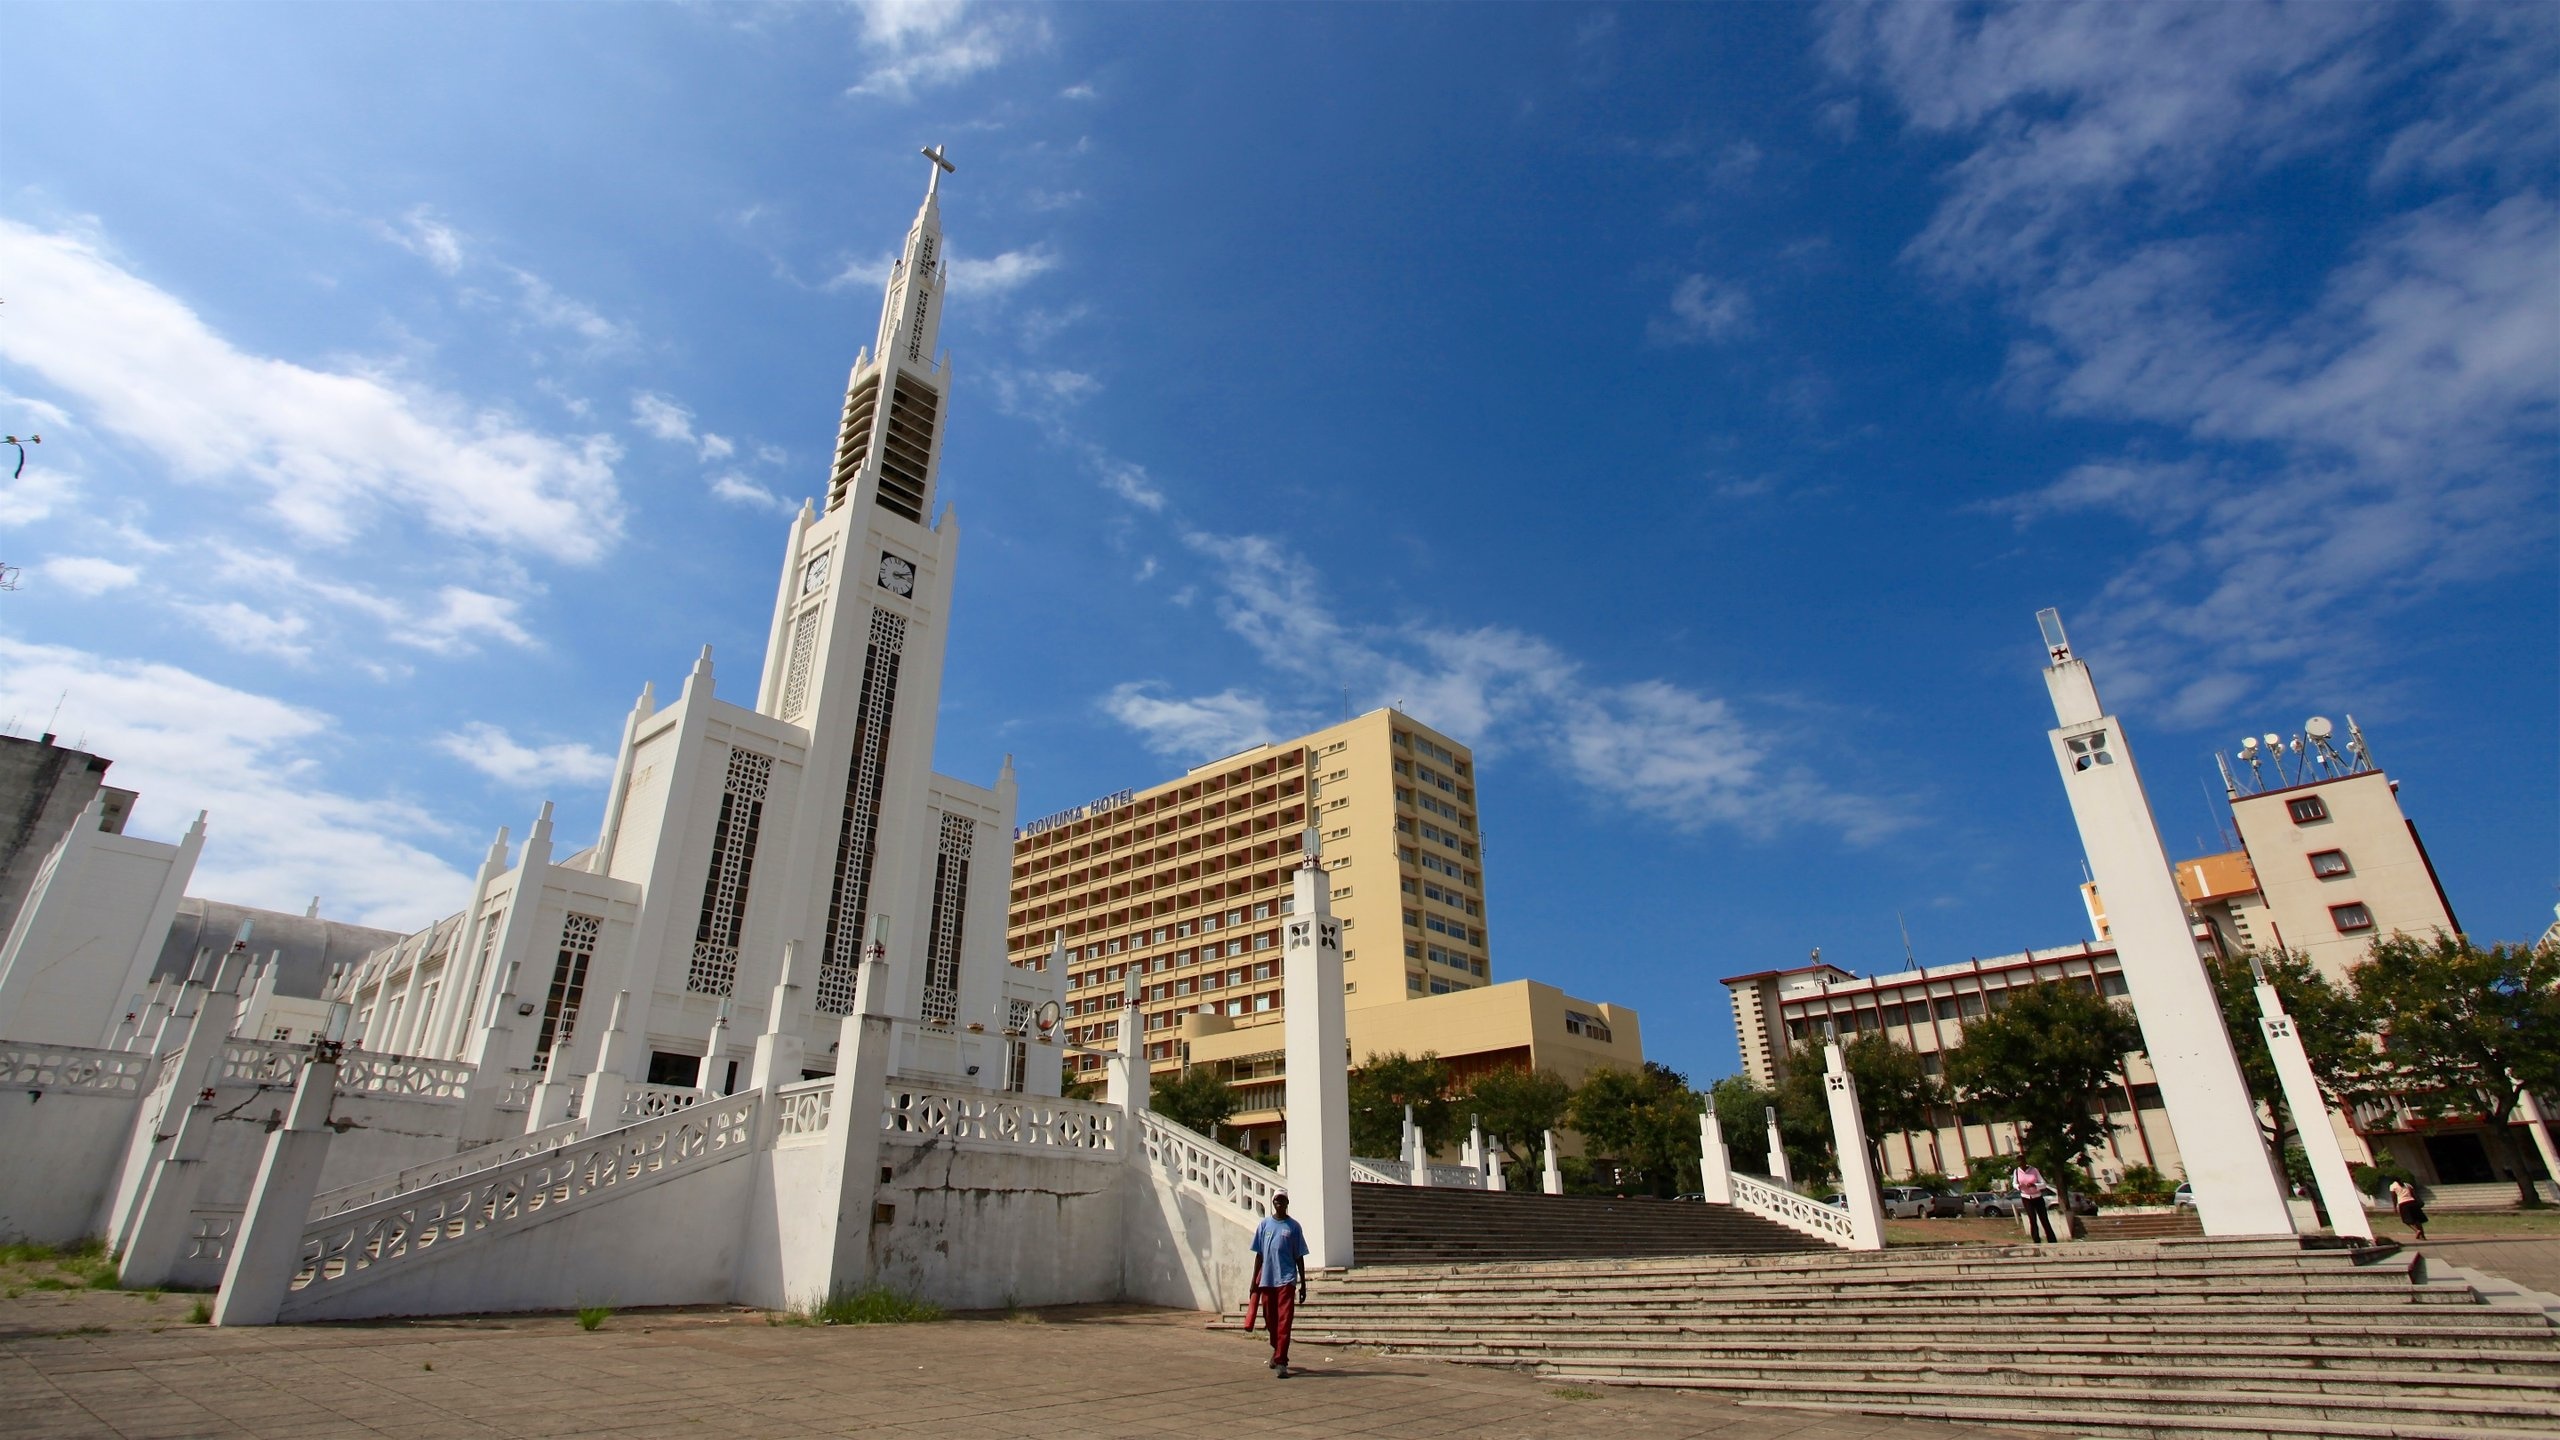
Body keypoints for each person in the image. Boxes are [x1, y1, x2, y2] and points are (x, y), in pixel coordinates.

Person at [1247, 1191, 1311, 1378]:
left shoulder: (1293, 1227)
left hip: (1286, 1279)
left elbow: (1299, 1256)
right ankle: (1277, 1349)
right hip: (1267, 1279)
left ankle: (1282, 1360)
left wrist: (1303, 1283)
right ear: (1273, 1203)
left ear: (1287, 1202)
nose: (1279, 1203)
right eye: (1276, 1200)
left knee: (1285, 1320)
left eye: (1282, 1200)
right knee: (1270, 1319)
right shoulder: (1265, 1225)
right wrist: (1253, 1282)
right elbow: (1259, 1255)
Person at [2014, 1162, 2060, 1244]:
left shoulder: (2034, 1170)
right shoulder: (2017, 1171)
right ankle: (2036, 1240)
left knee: (2044, 1218)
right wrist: (2018, 1186)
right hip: (2026, 1197)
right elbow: (2014, 1183)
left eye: (2022, 1161)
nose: (2021, 1164)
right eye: (2019, 1162)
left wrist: (2034, 1185)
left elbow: (2043, 1184)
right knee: (2032, 1218)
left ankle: (2051, 1239)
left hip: (2037, 1196)